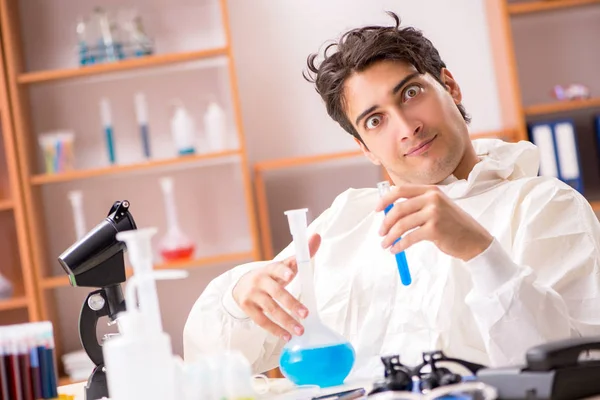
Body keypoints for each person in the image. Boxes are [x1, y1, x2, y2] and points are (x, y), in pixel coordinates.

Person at [183, 12, 600, 378]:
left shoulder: (544, 206)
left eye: (411, 93)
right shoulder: (344, 225)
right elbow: (212, 364)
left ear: (450, 87)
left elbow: (574, 368)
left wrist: (480, 251)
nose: (405, 127)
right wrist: (242, 294)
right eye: (375, 120)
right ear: (363, 147)